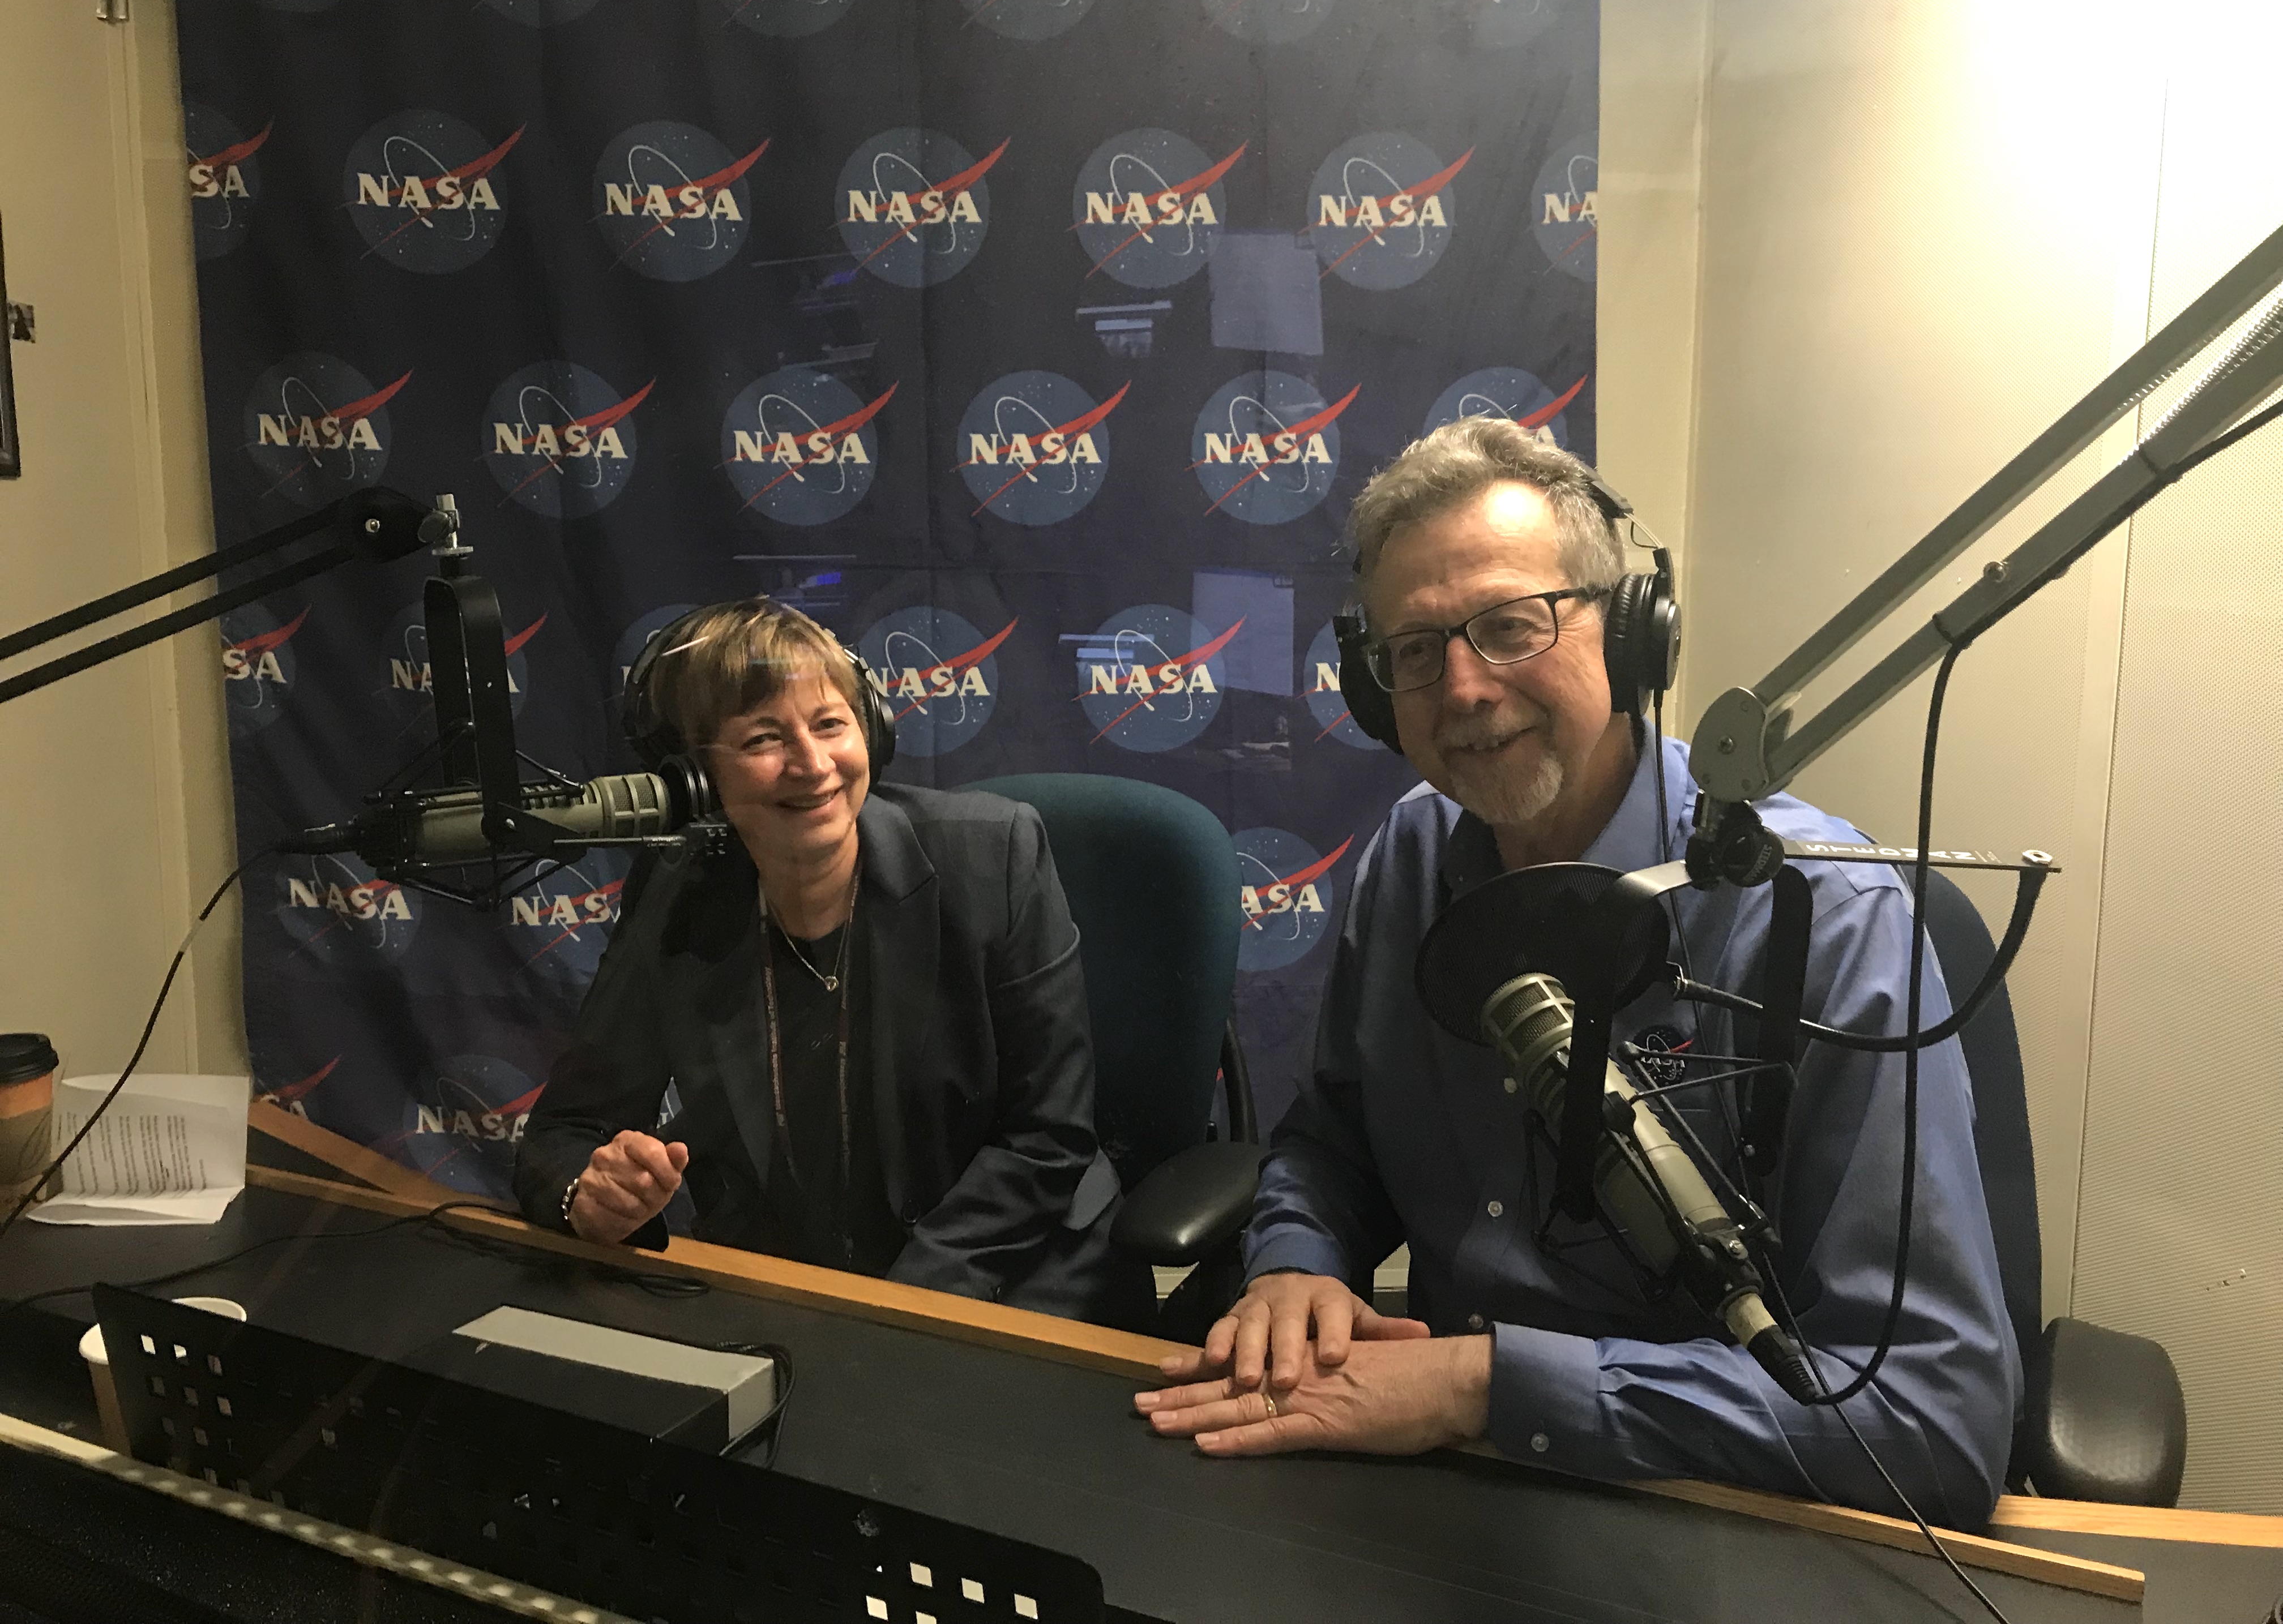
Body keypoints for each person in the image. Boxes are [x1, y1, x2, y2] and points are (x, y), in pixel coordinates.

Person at [1135, 417, 2020, 1527]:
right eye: (1417, 651)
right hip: (1453, 1503)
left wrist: (1483, 1386)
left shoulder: (1829, 924)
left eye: (1510, 626)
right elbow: (1336, 1139)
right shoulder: (1415, 853)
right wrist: (1299, 1261)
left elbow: (1938, 1420)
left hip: (1713, 1523)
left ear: (1634, 636)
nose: (1462, 687)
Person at [514, 599, 1151, 1328]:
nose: (813, 766)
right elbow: (568, 1129)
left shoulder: (994, 855)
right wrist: (587, 1196)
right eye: (763, 738)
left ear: (868, 731)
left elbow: (1050, 1135)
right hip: (797, 1289)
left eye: (829, 724)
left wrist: (892, 1313)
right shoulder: (679, 891)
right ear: (693, 778)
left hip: (1014, 1266)